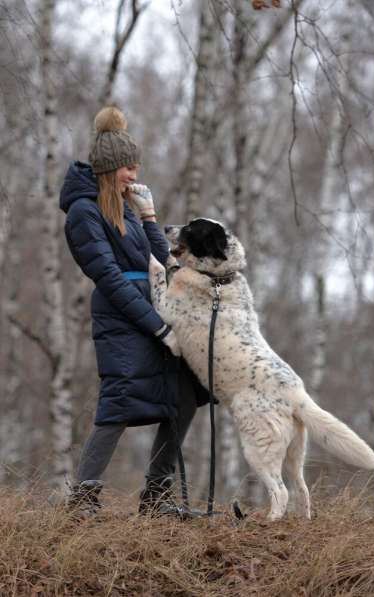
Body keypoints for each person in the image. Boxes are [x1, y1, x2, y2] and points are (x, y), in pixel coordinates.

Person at [59, 106, 205, 516]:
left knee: (186, 395)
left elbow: (159, 261)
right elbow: (108, 276)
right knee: (119, 403)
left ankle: (157, 497)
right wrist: (159, 330)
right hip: (122, 318)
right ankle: (82, 501)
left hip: (152, 310)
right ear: (108, 168)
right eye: (127, 167)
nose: (134, 175)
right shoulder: (84, 214)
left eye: (136, 166)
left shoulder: (126, 207)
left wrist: (149, 218)